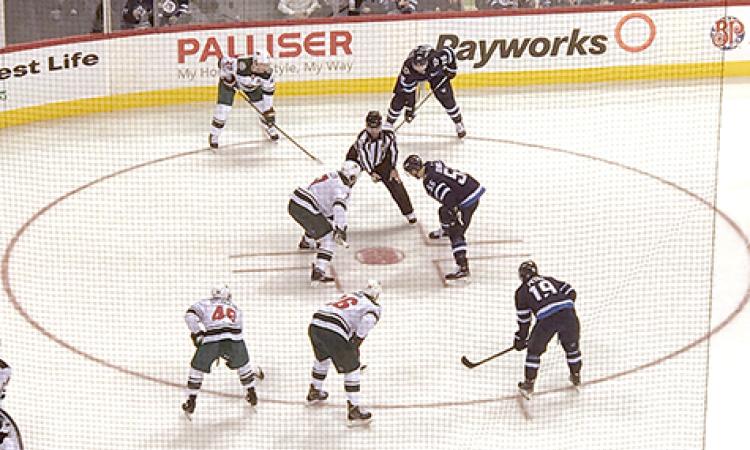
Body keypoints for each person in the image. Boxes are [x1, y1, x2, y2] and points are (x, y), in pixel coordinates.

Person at [306, 280, 382, 426]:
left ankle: (315, 390)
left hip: (315, 324)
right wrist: (355, 345)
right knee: (352, 369)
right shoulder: (373, 307)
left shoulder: (350, 295)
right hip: (334, 329)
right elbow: (366, 323)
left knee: (322, 358)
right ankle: (354, 410)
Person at [181, 285, 264, 419]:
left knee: (196, 370)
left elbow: (189, 316)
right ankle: (252, 394)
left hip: (211, 341)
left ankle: (191, 401)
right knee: (243, 366)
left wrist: (197, 334)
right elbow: (238, 328)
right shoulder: (235, 308)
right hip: (235, 340)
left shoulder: (205, 303)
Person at [402, 154, 484, 280]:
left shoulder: (429, 181)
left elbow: (449, 198)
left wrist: (456, 213)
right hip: (470, 186)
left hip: (467, 200)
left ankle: (462, 267)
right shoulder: (434, 164)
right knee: (443, 211)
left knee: (456, 232)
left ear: (414, 171)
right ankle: (445, 230)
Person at [512, 260, 582, 399]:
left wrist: (521, 338)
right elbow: (571, 291)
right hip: (568, 313)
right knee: (571, 347)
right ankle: (576, 375)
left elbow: (524, 320)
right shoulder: (549, 280)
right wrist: (563, 306)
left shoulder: (521, 292)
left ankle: (529, 384)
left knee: (534, 350)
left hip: (547, 319)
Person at [289, 160, 362, 285]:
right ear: (352, 177)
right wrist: (341, 229)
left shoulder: (332, 175)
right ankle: (319, 271)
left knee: (318, 222)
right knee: (329, 238)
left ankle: (307, 242)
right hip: (306, 207)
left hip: (295, 202)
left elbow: (324, 207)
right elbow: (339, 207)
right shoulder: (342, 189)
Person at [345, 111, 416, 225]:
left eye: (376, 127)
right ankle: (334, 212)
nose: (373, 131)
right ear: (366, 126)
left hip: (381, 160)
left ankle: (409, 212)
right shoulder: (362, 139)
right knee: (346, 179)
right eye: (370, 127)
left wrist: (393, 168)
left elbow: (393, 151)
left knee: (395, 182)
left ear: (380, 125)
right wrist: (371, 172)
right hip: (359, 159)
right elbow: (364, 158)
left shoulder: (389, 134)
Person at [385, 44, 465, 138]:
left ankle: (458, 123)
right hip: (414, 78)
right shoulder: (408, 69)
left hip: (436, 75)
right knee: (400, 97)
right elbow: (409, 92)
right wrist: (410, 109)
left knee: (446, 98)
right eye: (416, 65)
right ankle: (388, 124)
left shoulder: (436, 59)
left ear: (427, 61)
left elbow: (450, 51)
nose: (419, 68)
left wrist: (452, 69)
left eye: (422, 65)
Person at [209, 51, 277, 150]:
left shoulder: (268, 75)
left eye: (266, 65)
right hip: (231, 85)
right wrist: (228, 78)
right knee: (223, 111)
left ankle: (269, 128)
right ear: (254, 62)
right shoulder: (240, 64)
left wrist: (268, 111)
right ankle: (214, 135)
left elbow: (268, 95)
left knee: (263, 109)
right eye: (261, 65)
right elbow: (222, 62)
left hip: (252, 88)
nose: (264, 68)